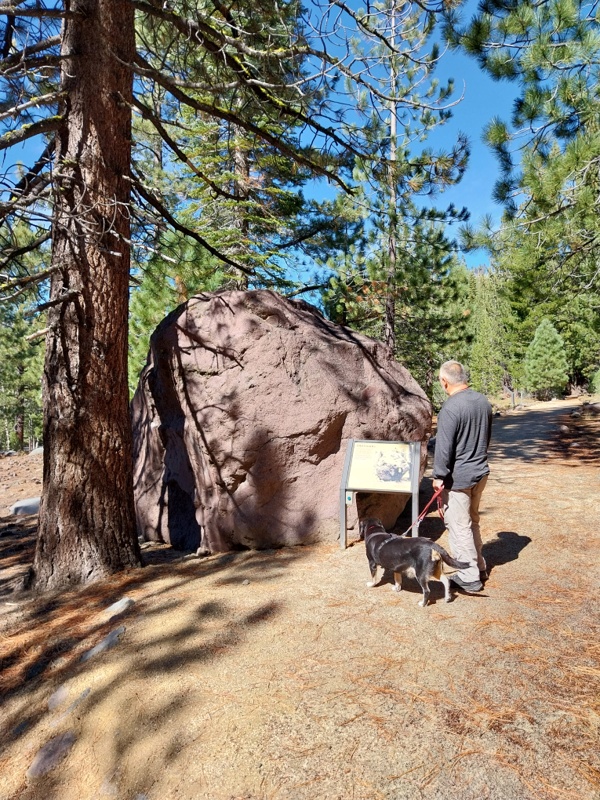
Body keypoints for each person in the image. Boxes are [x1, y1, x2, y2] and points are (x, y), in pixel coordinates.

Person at [432, 361, 492, 592]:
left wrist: (439, 476)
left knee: (459, 527)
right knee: (472, 522)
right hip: (480, 472)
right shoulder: (482, 401)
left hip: (459, 480)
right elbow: (486, 438)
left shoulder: (450, 408)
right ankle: (479, 567)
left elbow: (443, 448)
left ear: (444, 381)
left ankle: (469, 576)